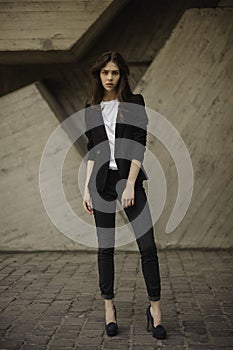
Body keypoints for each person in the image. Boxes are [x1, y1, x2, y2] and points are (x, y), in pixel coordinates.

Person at [82, 51, 166, 339]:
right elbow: (92, 148)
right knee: (106, 248)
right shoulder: (91, 107)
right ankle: (109, 307)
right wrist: (86, 187)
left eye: (114, 73)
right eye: (105, 73)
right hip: (101, 182)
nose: (109, 78)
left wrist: (130, 184)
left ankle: (155, 309)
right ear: (98, 75)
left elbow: (139, 145)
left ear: (122, 75)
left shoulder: (135, 103)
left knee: (148, 246)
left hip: (127, 179)